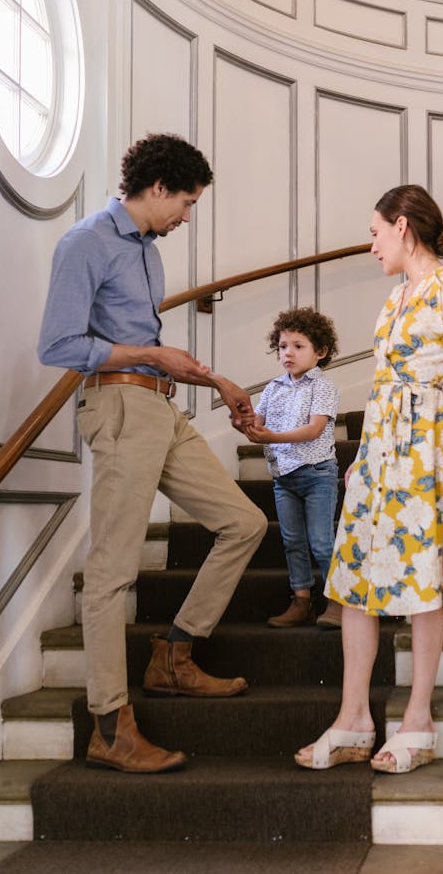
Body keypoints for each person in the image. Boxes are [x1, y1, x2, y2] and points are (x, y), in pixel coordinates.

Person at [38, 133, 268, 774]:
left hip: (160, 406)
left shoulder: (146, 253)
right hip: (117, 407)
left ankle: (174, 655)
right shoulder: (86, 242)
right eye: (187, 203)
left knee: (244, 523)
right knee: (112, 571)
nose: (187, 217)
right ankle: (110, 726)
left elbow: (150, 347)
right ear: (158, 189)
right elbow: (58, 345)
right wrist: (150, 357)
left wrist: (214, 379)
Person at [295, 185, 443, 773]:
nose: (372, 244)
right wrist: (364, 453)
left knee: (421, 582)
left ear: (402, 226)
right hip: (379, 455)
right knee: (355, 583)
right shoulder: (396, 296)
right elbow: (384, 383)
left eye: (375, 232)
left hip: (423, 449)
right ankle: (353, 716)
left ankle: (416, 720)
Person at [246, 308, 342, 629]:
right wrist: (246, 423)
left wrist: (271, 436)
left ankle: (338, 601)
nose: (288, 352)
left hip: (316, 474)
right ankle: (301, 600)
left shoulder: (323, 387)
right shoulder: (273, 388)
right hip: (283, 477)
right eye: (283, 345)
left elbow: (314, 430)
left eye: (298, 346)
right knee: (292, 541)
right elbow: (256, 422)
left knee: (321, 542)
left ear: (321, 352)